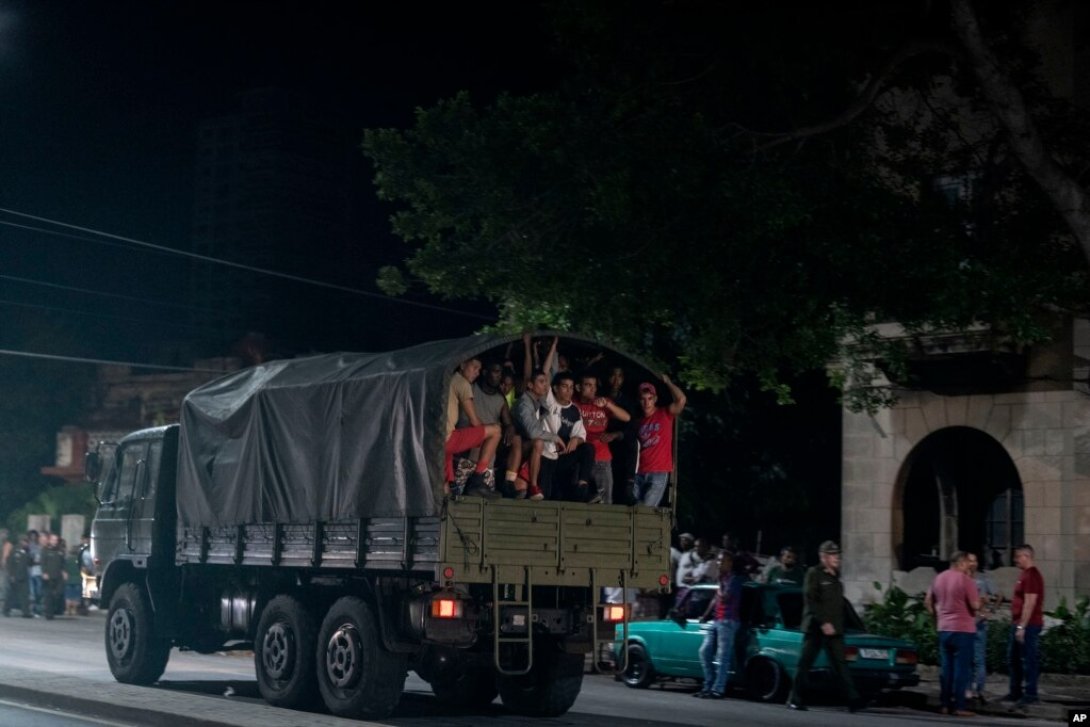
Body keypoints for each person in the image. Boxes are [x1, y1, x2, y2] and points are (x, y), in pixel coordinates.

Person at [786, 541, 865, 713]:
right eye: (833, 555)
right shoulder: (814, 573)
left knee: (841, 664)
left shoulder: (835, 577)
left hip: (834, 629)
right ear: (824, 557)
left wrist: (854, 624)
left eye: (838, 555)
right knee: (805, 663)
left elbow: (840, 604)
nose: (838, 558)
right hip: (815, 627)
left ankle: (853, 699)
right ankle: (794, 698)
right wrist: (823, 622)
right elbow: (811, 599)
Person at [924, 551, 981, 717]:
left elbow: (929, 602)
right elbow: (975, 605)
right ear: (961, 563)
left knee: (946, 669)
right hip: (962, 628)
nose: (968, 566)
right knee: (961, 670)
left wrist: (937, 619)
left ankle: (944, 704)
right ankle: (959, 706)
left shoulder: (938, 578)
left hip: (944, 628)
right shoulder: (966, 580)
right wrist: (981, 602)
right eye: (967, 563)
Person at [445, 357, 502, 498]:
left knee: (445, 488)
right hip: (448, 438)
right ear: (463, 365)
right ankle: (477, 480)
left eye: (479, 369)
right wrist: (485, 437)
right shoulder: (462, 383)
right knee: (495, 431)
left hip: (438, 440)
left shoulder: (449, 380)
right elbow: (474, 420)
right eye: (474, 367)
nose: (477, 372)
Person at [574, 372, 631, 504]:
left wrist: (608, 405)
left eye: (594, 385)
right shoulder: (573, 403)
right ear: (578, 387)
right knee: (578, 498)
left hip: (602, 457)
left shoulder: (603, 402)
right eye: (588, 385)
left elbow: (627, 417)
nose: (593, 389)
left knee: (605, 500)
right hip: (580, 457)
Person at [694, 551, 743, 699]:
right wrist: (705, 615)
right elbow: (715, 600)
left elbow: (725, 598)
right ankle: (708, 685)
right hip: (716, 620)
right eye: (718, 561)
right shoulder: (723, 578)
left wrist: (720, 584)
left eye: (723, 561)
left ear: (730, 563)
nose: (719, 563)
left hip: (728, 620)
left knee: (723, 657)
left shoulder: (734, 579)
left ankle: (718, 689)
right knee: (704, 652)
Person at [632, 375, 687, 507]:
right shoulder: (638, 421)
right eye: (643, 399)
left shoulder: (665, 413)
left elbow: (681, 400)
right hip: (639, 472)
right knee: (633, 511)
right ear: (639, 400)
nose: (647, 402)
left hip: (658, 472)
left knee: (646, 512)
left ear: (655, 399)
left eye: (650, 398)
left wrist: (668, 382)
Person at [1002, 543, 1045, 713]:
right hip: (1018, 623)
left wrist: (1022, 626)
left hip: (1029, 624)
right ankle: (1015, 691)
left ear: (1026, 556)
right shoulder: (1024, 574)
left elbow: (1030, 602)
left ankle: (1031, 693)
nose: (1015, 560)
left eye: (1017, 557)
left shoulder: (1032, 575)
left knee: (1028, 660)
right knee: (1013, 658)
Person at [472, 360, 524, 498]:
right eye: (495, 372)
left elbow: (508, 422)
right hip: (471, 437)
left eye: (500, 373)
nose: (499, 376)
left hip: (490, 443)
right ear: (485, 373)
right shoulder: (472, 388)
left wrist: (510, 427)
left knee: (517, 438)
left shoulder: (500, 398)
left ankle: (509, 481)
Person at [546, 371, 597, 502]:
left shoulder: (574, 410)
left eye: (571, 387)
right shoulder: (548, 403)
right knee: (554, 496)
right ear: (555, 388)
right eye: (565, 386)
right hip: (545, 457)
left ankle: (582, 487)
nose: (569, 390)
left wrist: (576, 439)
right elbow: (545, 375)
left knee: (588, 448)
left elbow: (581, 435)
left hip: (563, 457)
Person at [966, 552, 996, 703]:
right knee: (968, 658)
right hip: (965, 623)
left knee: (979, 659)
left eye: (975, 560)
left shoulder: (983, 579)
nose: (972, 563)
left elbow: (997, 595)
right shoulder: (962, 579)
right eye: (969, 561)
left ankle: (979, 689)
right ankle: (968, 688)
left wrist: (991, 611)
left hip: (979, 623)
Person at [40, 533, 67, 620]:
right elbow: (43, 562)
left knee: (58, 593)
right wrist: (44, 572)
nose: (54, 542)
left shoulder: (60, 550)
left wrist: (64, 572)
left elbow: (63, 563)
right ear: (49, 540)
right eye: (53, 540)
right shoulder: (45, 550)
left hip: (58, 575)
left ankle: (55, 609)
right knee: (49, 595)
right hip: (49, 575)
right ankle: (49, 613)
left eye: (56, 540)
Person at [2, 534, 30, 618]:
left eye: (27, 541)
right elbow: (10, 563)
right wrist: (11, 575)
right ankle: (6, 610)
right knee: (11, 594)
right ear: (21, 541)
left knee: (25, 594)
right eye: (25, 541)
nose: (26, 543)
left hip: (24, 576)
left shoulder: (27, 551)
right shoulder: (15, 550)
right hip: (15, 575)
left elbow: (28, 562)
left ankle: (26, 612)